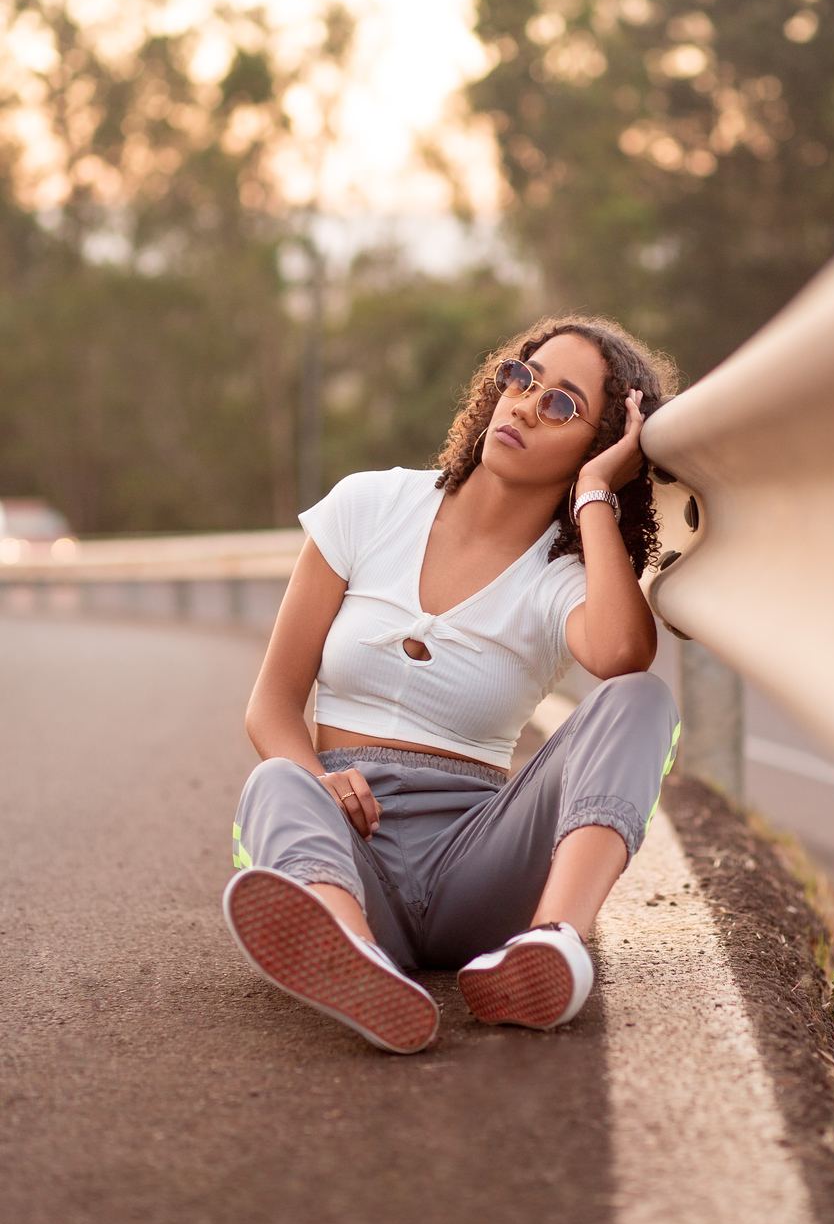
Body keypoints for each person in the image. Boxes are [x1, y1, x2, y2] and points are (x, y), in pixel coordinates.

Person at [222, 316, 681, 1054]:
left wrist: (595, 492)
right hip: (352, 841)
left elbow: (625, 654)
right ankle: (354, 958)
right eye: (522, 378)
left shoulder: (560, 581)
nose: (527, 404)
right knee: (276, 781)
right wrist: (321, 781)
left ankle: (553, 943)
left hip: (476, 861)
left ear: (595, 447)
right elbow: (271, 707)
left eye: (562, 404)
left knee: (644, 699)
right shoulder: (367, 507)